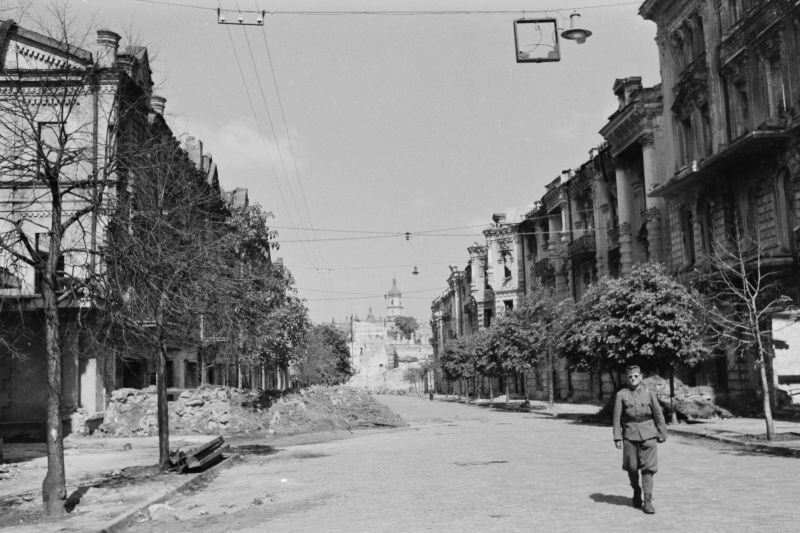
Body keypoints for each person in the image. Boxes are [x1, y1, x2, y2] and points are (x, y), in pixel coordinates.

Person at [612, 365, 667, 514]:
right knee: (631, 467)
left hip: (649, 434)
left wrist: (662, 432)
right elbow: (617, 418)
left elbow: (658, 414)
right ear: (627, 378)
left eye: (636, 376)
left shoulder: (649, 393)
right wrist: (617, 437)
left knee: (648, 469)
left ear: (641, 377)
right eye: (630, 376)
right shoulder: (621, 395)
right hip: (629, 435)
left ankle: (648, 501)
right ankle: (636, 490)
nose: (633, 379)